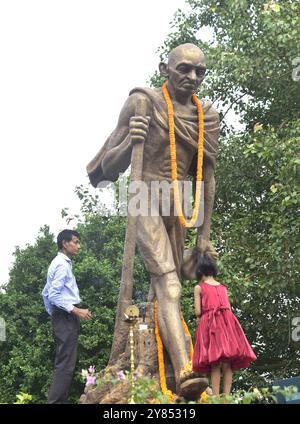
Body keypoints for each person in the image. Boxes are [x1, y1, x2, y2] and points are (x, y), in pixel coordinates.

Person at [86, 43, 220, 396]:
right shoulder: (142, 102)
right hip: (144, 197)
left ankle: (158, 365)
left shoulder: (207, 115)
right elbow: (103, 171)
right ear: (165, 68)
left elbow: (207, 177)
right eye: (184, 69)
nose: (192, 77)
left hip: (179, 203)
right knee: (170, 284)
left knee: (165, 293)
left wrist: (203, 235)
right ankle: (185, 370)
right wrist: (130, 141)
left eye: (200, 71)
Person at [192, 254, 257, 396]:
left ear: (200, 271)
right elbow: (227, 308)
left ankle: (215, 397)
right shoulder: (223, 287)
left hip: (211, 325)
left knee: (215, 363)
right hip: (228, 326)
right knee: (227, 364)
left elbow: (197, 311)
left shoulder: (199, 287)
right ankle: (226, 398)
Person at [42, 229, 92, 404]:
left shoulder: (60, 263)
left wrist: (56, 314)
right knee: (65, 365)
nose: (78, 246)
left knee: (66, 363)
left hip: (63, 317)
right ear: (65, 243)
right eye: (75, 242)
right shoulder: (62, 264)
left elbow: (45, 293)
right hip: (66, 316)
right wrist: (74, 311)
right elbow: (53, 295)